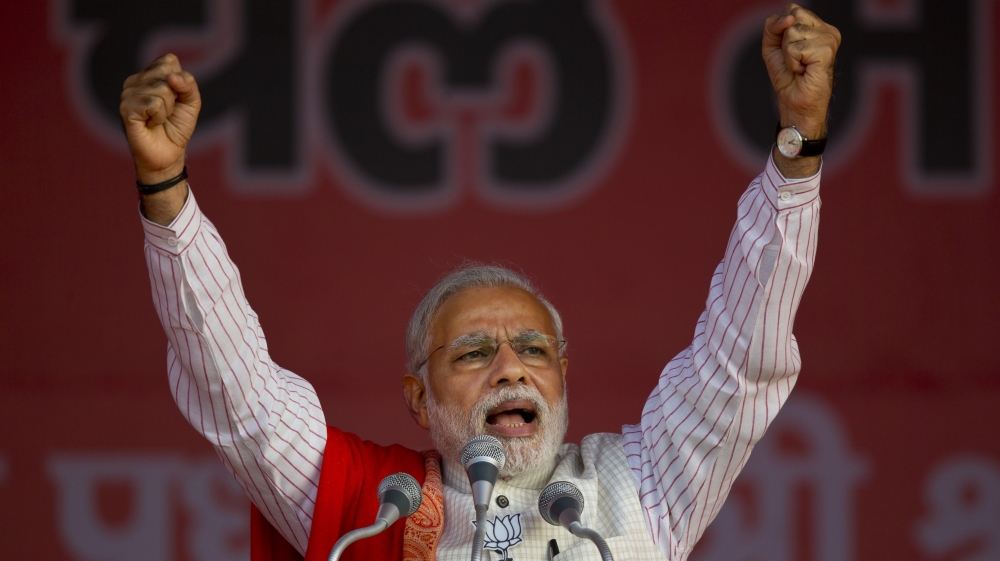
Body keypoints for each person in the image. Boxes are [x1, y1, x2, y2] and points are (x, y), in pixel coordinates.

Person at [120, 4, 840, 560]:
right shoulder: (373, 505)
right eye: (472, 353)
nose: (509, 370)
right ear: (417, 396)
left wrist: (798, 148)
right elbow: (236, 390)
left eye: (533, 349)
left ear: (563, 373)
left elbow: (738, 361)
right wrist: (165, 187)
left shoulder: (644, 486)